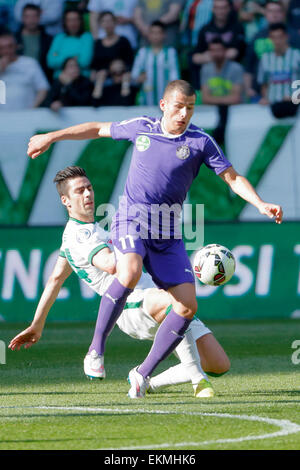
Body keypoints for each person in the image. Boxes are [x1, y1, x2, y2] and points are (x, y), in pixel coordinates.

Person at [27, 79, 283, 399]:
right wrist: (51, 136)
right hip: (130, 220)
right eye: (178, 107)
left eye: (190, 108)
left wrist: (260, 203)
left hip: (168, 235)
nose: (184, 114)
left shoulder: (201, 141)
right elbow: (96, 128)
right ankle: (95, 350)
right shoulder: (142, 128)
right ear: (164, 105)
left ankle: (143, 374)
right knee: (129, 271)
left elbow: (232, 177)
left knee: (188, 306)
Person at [8, 166, 230, 398]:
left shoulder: (85, 232)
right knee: (176, 304)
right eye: (79, 191)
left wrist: (37, 325)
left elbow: (55, 280)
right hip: (131, 304)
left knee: (217, 363)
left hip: (151, 293)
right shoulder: (80, 236)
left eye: (89, 188)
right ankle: (198, 381)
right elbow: (112, 264)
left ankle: (147, 380)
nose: (87, 194)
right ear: (65, 200)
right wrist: (137, 239)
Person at [244, 0, 292, 100]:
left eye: (277, 11)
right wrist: (248, 89)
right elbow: (249, 65)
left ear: (283, 14)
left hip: (290, 95)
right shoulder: (257, 37)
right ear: (265, 14)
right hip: (259, 94)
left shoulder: (294, 36)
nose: (274, 15)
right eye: (270, 11)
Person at [191, 0, 245, 88]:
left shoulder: (237, 27)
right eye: (217, 8)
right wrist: (219, 55)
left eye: (223, 8)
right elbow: (196, 56)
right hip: (209, 73)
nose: (220, 11)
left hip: (230, 74)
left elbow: (234, 53)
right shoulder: (205, 29)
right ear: (212, 9)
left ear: (229, 9)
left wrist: (210, 55)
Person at [201, 38, 244, 144]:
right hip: (212, 114)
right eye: (213, 50)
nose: (216, 53)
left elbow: (236, 98)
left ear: (225, 51)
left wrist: (213, 99)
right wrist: (226, 99)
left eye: (218, 50)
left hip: (234, 114)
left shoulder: (236, 68)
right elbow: (205, 98)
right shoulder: (205, 69)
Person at [131, 21, 180, 106]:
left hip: (166, 102)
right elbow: (134, 75)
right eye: (153, 33)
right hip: (145, 100)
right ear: (149, 35)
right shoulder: (142, 53)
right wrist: (139, 78)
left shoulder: (170, 52)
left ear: (164, 35)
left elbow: (175, 76)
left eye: (158, 33)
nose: (156, 36)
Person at [257, 23, 300, 118]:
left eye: (280, 37)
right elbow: (264, 83)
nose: (277, 41)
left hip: (295, 104)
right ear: (270, 39)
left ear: (286, 37)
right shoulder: (265, 58)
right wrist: (265, 98)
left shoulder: (297, 55)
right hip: (273, 105)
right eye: (274, 37)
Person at [0, 32, 49, 110]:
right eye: (2, 48)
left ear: (16, 46)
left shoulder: (30, 63)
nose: (6, 51)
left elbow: (43, 88)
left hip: (26, 115)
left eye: (10, 46)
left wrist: (32, 108)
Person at [47, 8, 94, 79]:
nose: (73, 23)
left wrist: (60, 56)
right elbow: (51, 62)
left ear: (81, 21)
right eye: (69, 20)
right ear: (65, 22)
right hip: (60, 79)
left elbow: (85, 62)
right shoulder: (59, 37)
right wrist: (74, 58)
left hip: (81, 78)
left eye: (76, 20)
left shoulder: (87, 37)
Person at [15, 3, 52, 81]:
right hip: (18, 78)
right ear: (22, 18)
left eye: (34, 16)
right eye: (27, 16)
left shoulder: (48, 39)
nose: (31, 20)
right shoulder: (13, 39)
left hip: (42, 79)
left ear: (40, 18)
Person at [90, 11, 134, 75]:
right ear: (100, 24)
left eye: (110, 21)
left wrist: (122, 67)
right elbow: (95, 65)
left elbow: (130, 63)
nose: (107, 24)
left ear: (115, 22)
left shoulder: (123, 41)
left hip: (121, 76)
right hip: (103, 78)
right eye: (104, 21)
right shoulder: (98, 43)